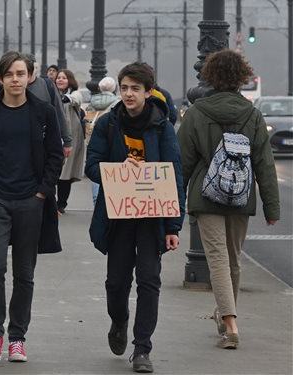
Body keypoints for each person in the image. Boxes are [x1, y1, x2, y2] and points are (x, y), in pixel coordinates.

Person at [85, 61, 185, 373]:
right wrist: (116, 170)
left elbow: (174, 177)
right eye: (124, 88)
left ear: (147, 92)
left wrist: (173, 226)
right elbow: (91, 166)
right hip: (119, 215)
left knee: (149, 280)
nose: (128, 94)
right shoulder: (109, 124)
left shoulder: (162, 126)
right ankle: (119, 321)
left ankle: (142, 348)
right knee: (115, 283)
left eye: (135, 89)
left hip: (152, 216)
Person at [177, 49, 279, 350]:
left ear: (210, 76)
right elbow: (265, 164)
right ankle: (225, 318)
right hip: (240, 195)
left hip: (205, 197)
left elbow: (182, 162)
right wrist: (272, 207)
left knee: (217, 258)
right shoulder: (253, 114)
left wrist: (172, 205)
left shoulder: (196, 112)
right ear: (242, 78)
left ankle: (230, 323)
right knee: (233, 259)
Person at [0, 51, 64, 364]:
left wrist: (43, 191)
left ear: (30, 77)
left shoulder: (44, 112)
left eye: (20, 74)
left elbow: (55, 155)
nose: (15, 80)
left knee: (25, 273)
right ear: (0, 78)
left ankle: (17, 338)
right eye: (9, 74)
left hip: (30, 201)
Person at [54, 69, 86, 215]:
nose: (60, 80)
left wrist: (62, 99)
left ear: (70, 80)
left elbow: (75, 99)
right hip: (54, 136)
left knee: (65, 173)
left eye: (64, 78)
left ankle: (61, 204)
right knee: (53, 171)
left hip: (72, 138)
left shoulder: (74, 93)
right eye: (58, 77)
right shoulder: (52, 93)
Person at [87, 76, 121, 205]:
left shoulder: (93, 101)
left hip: (92, 133)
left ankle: (96, 197)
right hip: (110, 134)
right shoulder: (116, 102)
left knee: (97, 164)